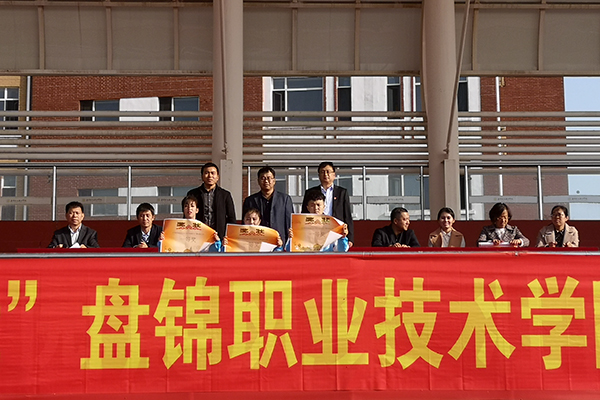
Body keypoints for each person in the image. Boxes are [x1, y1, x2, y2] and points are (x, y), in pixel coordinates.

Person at [301, 161, 354, 245]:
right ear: (319, 175)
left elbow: (347, 216)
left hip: (336, 232)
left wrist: (350, 238)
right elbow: (304, 213)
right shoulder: (310, 192)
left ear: (334, 175)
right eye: (322, 172)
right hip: (315, 233)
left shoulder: (342, 192)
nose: (325, 174)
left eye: (328, 172)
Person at [243, 166, 293, 243]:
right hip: (257, 242)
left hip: (279, 242)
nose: (266, 181)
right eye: (263, 178)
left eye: (269, 178)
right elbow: (245, 224)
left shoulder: (285, 199)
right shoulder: (250, 201)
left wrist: (288, 242)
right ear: (258, 181)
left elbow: (290, 223)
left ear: (274, 181)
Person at [186, 162, 236, 239]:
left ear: (218, 177)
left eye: (213, 173)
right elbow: (187, 214)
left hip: (219, 236)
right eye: (206, 173)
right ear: (202, 176)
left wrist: (229, 237)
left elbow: (231, 218)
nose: (210, 176)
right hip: (198, 235)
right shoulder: (193, 194)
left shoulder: (225, 195)